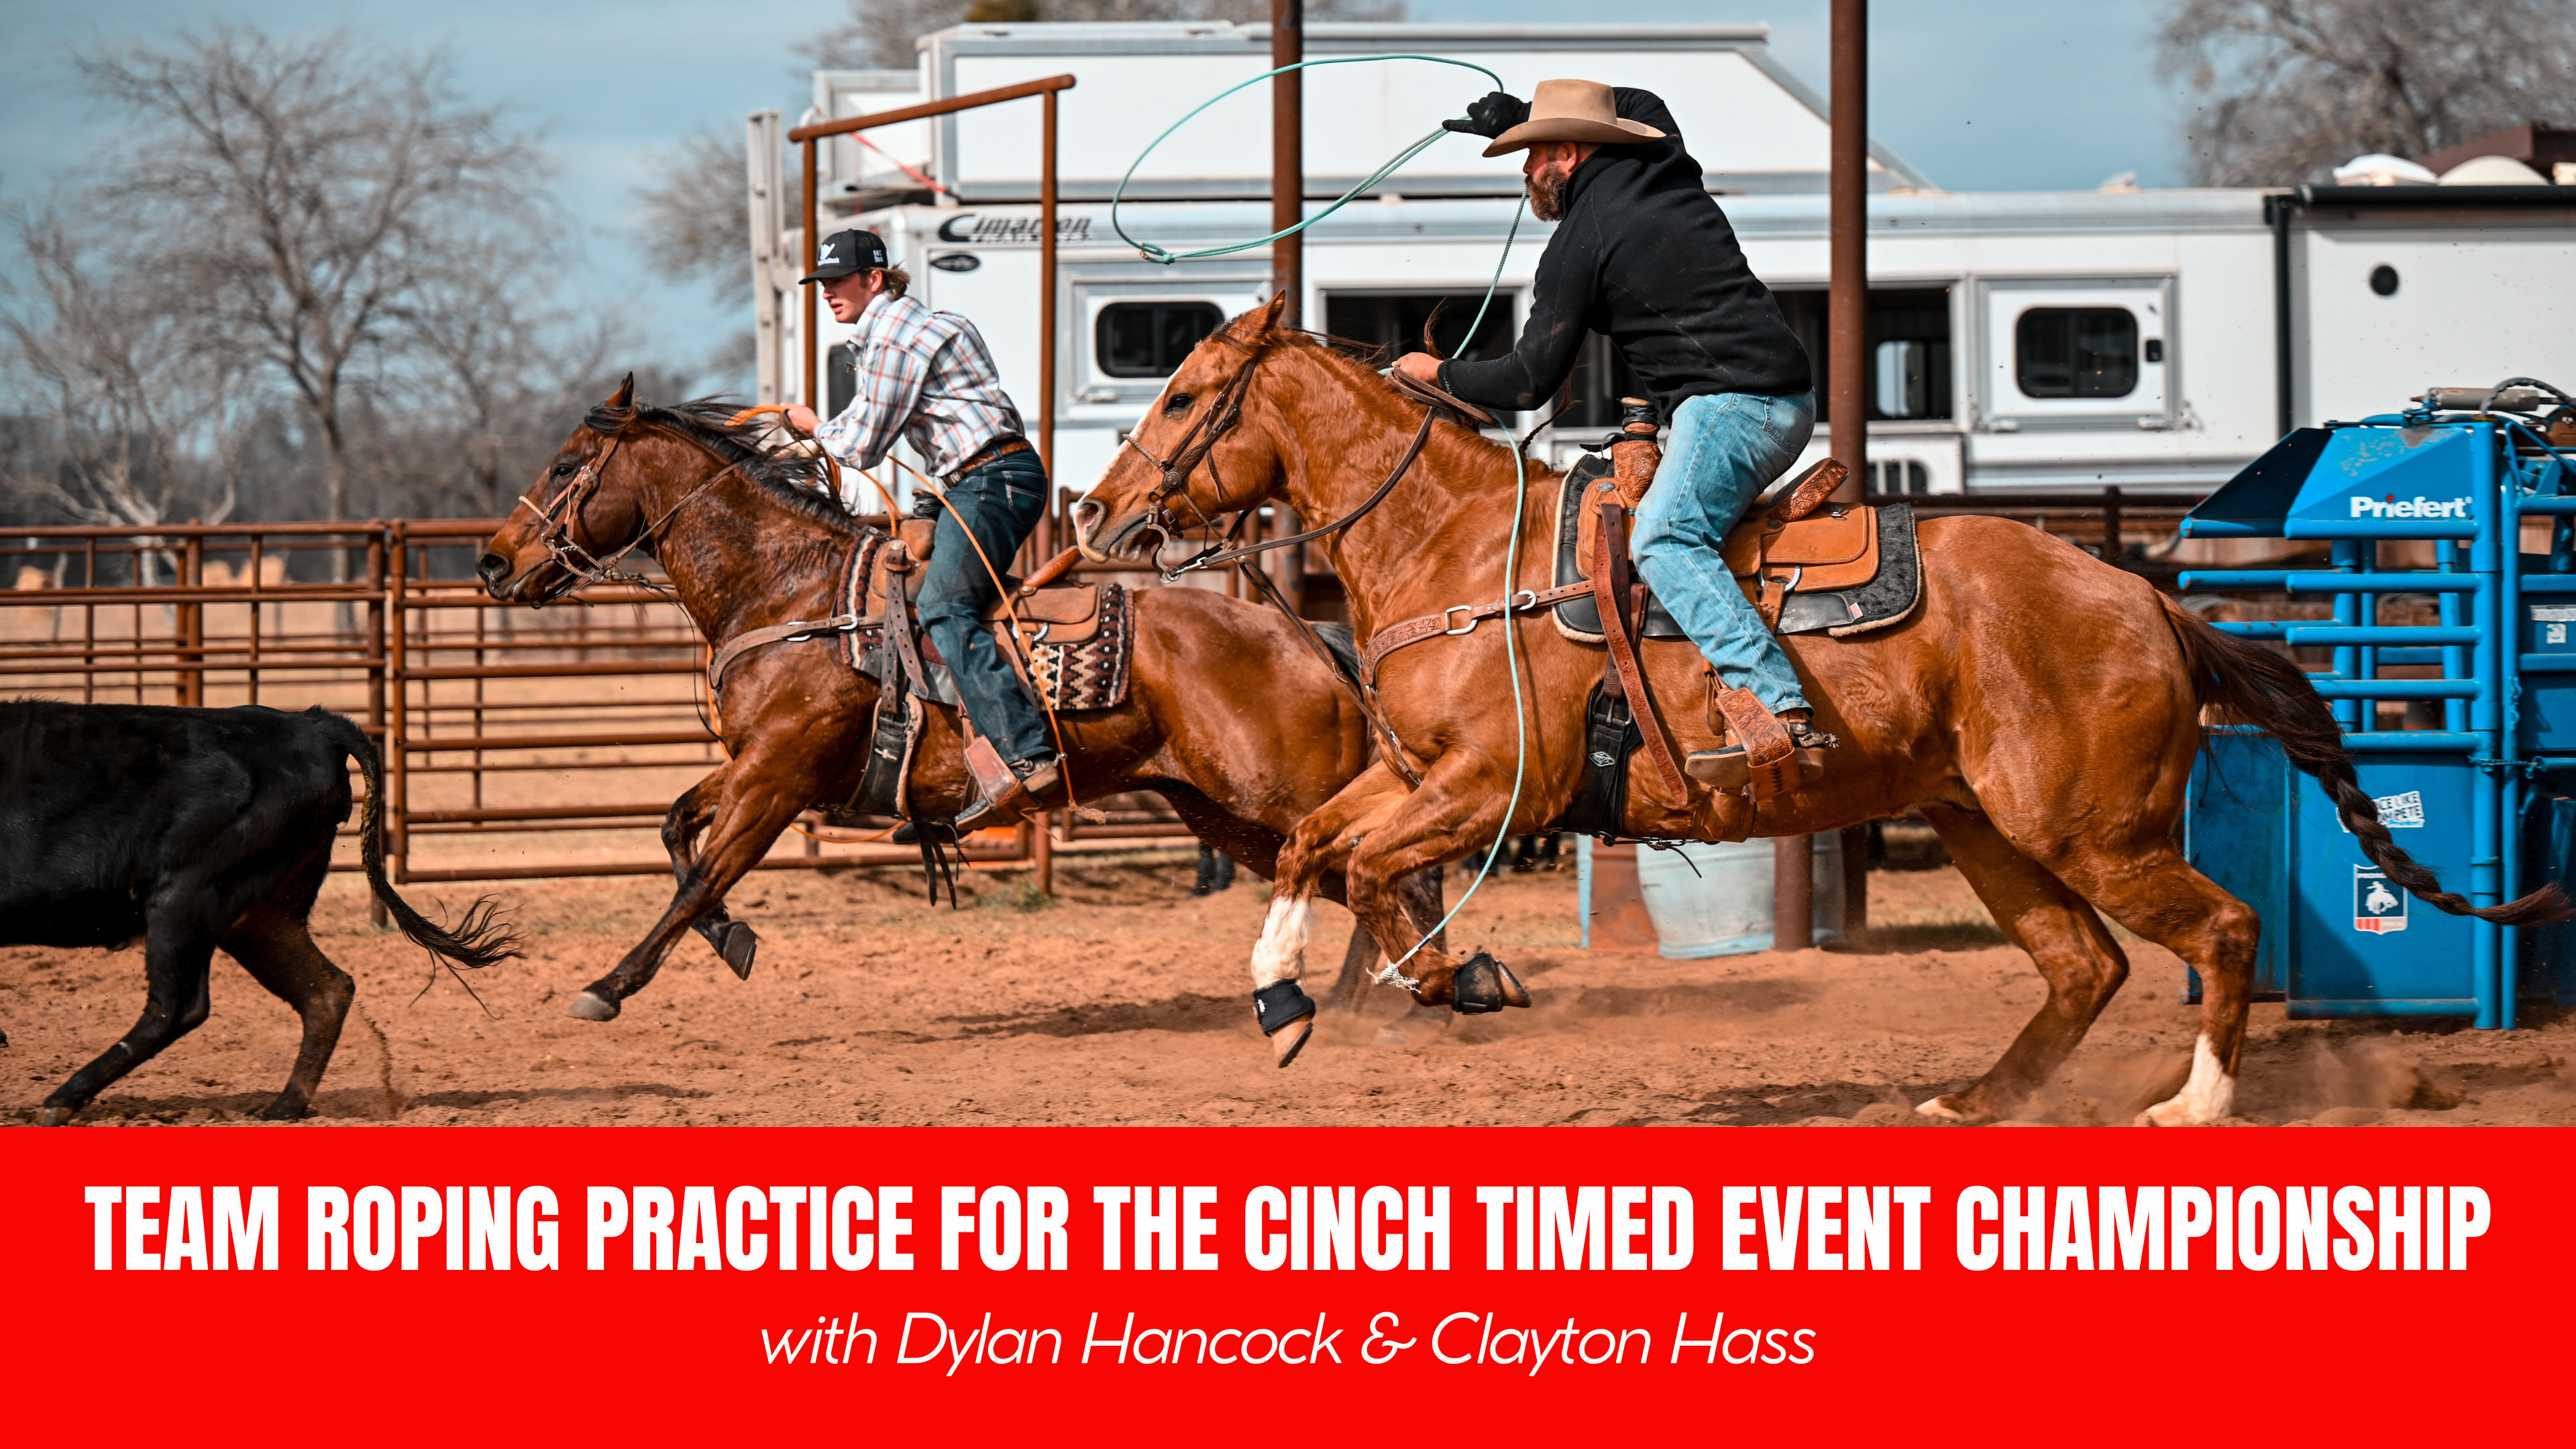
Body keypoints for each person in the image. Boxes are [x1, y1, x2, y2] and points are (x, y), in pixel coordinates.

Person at [1402, 79, 1834, 780]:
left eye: (1531, 155)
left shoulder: (1578, 246)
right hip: (1779, 397)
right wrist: (1523, 118)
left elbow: (1526, 380)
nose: (1522, 172)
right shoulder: (1662, 160)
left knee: (1665, 539)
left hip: (1733, 407)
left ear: (1568, 155)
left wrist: (1438, 374)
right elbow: (1636, 101)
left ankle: (1778, 706)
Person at [783, 227, 1057, 829]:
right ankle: (938, 769)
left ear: (873, 280)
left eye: (836, 281)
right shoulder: (926, 325)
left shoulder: (894, 342)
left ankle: (1025, 754)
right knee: (900, 600)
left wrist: (807, 426)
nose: (826, 293)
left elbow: (860, 445)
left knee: (944, 609)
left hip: (987, 481)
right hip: (976, 480)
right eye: (822, 283)